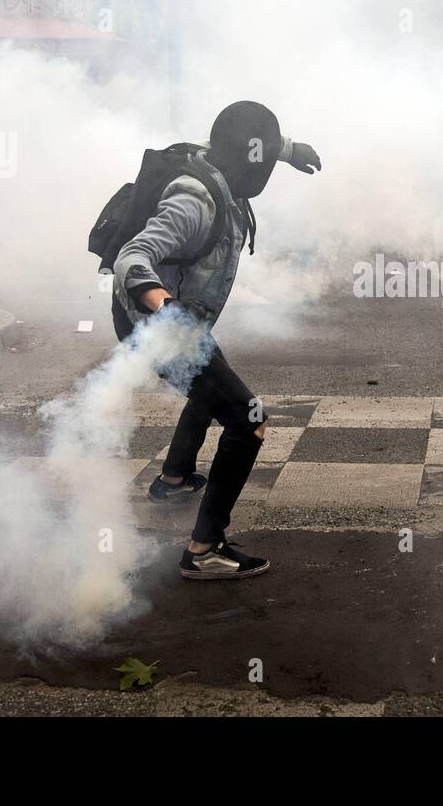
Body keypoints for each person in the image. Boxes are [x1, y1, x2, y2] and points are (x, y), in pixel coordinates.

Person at [112, 101, 322, 580]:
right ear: (248, 160)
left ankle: (174, 480)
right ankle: (204, 551)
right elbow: (133, 256)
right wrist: (166, 308)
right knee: (249, 421)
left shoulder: (218, 159)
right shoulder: (195, 199)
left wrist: (288, 150)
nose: (266, 170)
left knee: (211, 393)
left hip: (178, 326)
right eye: (264, 161)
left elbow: (245, 143)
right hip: (160, 330)